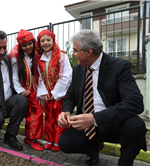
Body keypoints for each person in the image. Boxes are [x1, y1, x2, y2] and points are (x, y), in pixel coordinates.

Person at [58, 29, 147, 166]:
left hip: (111, 122)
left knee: (135, 126)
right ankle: (93, 148)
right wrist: (66, 111)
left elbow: (135, 103)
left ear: (88, 51)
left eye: (75, 50)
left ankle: (125, 162)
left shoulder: (119, 66)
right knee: (65, 143)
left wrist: (95, 118)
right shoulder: (78, 69)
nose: (73, 54)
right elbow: (71, 95)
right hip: (86, 124)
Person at [36, 29, 72, 151]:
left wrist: (54, 93)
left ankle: (58, 141)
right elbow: (40, 77)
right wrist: (44, 93)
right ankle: (49, 139)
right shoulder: (40, 59)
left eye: (48, 40)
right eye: (42, 41)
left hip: (59, 94)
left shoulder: (62, 56)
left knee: (59, 118)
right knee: (49, 118)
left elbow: (66, 76)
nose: (45, 43)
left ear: (53, 41)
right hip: (48, 95)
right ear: (39, 43)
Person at [9, 29, 43, 151]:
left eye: (30, 44)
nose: (28, 47)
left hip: (35, 90)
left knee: (37, 112)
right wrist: (20, 90)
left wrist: (40, 91)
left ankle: (31, 137)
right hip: (24, 90)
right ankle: (31, 137)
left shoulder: (37, 55)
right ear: (20, 46)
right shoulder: (16, 58)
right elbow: (14, 76)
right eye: (24, 45)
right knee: (31, 114)